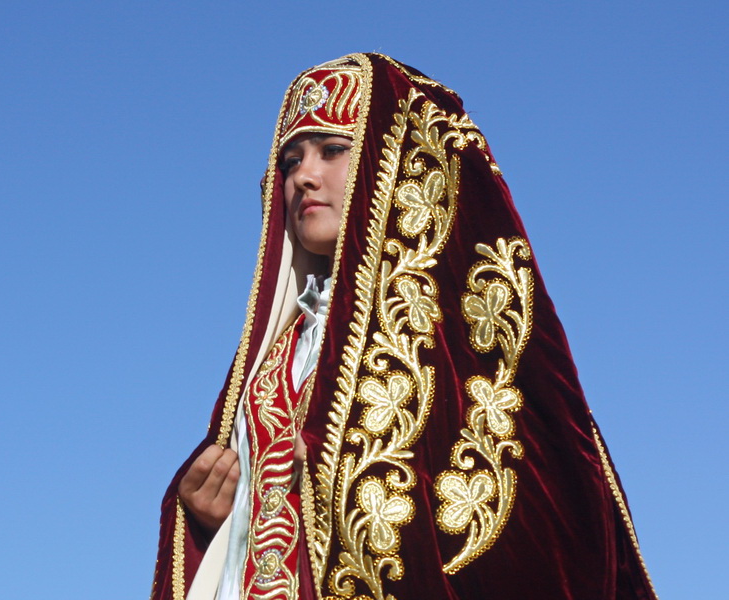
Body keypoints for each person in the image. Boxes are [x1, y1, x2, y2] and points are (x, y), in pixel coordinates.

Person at [151, 54, 658, 600]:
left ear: (405, 158)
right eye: (290, 159)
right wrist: (209, 518)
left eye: (332, 150)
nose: (303, 175)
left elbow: (543, 534)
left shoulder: (465, 347)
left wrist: (334, 470)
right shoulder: (271, 359)